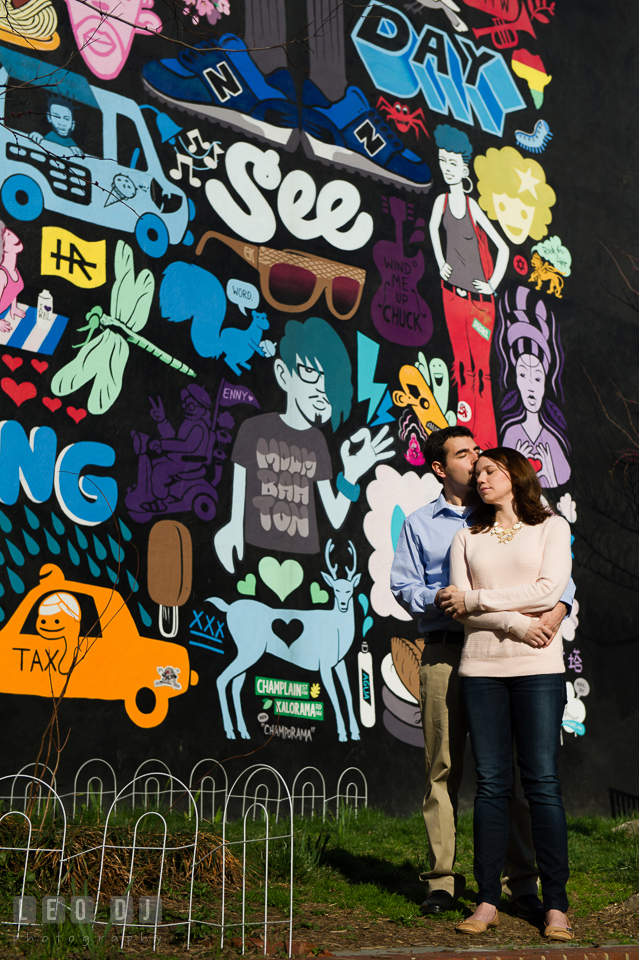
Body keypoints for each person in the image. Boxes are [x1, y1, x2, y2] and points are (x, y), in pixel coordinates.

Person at [390, 425, 574, 918]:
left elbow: (556, 580)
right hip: (448, 651)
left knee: (511, 772)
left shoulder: (506, 509)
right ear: (439, 467)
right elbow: (404, 586)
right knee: (444, 767)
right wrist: (443, 599)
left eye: (481, 455)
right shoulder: (424, 524)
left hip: (517, 652)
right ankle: (443, 880)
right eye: (465, 455)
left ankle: (523, 879)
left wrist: (555, 612)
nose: (476, 463)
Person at [443, 447, 573, 940]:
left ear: (516, 476)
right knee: (492, 784)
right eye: (475, 473)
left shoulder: (552, 528)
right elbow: (461, 610)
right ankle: (486, 900)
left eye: (489, 471)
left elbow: (549, 589)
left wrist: (477, 599)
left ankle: (555, 905)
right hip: (481, 669)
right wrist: (517, 625)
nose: (480, 479)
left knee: (541, 781)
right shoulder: (465, 536)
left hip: (539, 668)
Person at [214, 316, 392, 571]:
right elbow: (237, 494)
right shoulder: (253, 429)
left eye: (328, 381)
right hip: (254, 552)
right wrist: (232, 528)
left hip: (305, 561)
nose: (320, 388)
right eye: (310, 373)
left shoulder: (316, 441)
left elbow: (334, 516)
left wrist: (351, 475)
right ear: (283, 374)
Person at [429, 125, 509, 450]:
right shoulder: (441, 201)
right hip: (452, 297)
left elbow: (502, 248)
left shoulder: (472, 206)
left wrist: (491, 283)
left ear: (464, 168)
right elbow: (434, 230)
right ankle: (466, 439)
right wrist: (440, 264)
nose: (447, 168)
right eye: (442, 161)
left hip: (480, 303)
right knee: (461, 367)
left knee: (482, 371)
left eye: (452, 163)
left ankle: (486, 441)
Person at [496, 285, 570, 488]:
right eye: (522, 375)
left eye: (537, 378)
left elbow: (562, 483)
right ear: (516, 381)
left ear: (546, 382)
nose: (530, 387)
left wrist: (549, 473)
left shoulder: (552, 440)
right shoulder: (510, 434)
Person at [0, 221, 25, 333]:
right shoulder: (2, 275)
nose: (14, 236)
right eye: (8, 236)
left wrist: (13, 307)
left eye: (10, 232)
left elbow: (13, 290)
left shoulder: (14, 270)